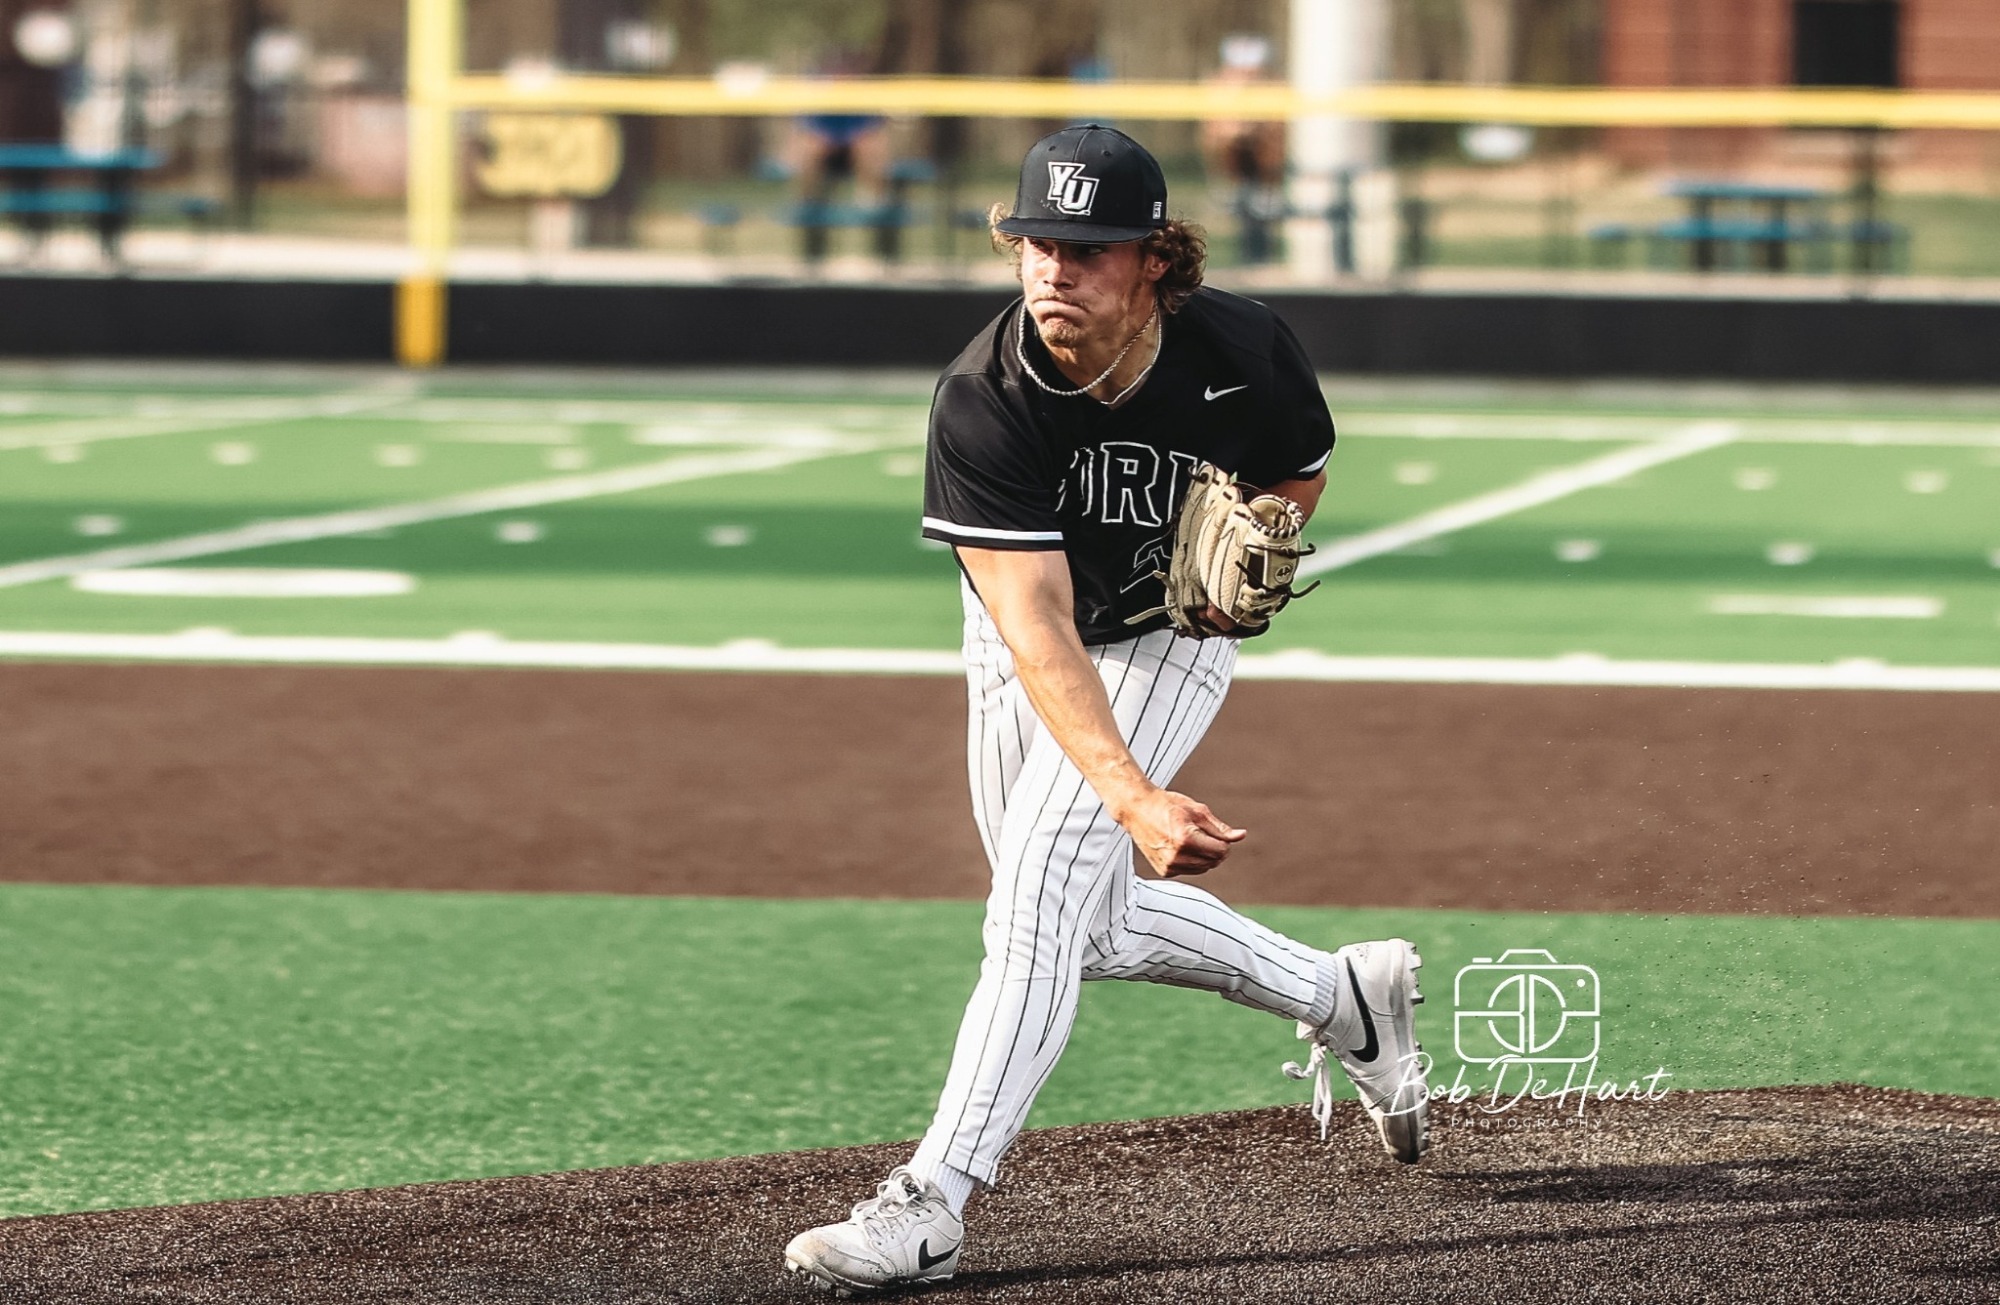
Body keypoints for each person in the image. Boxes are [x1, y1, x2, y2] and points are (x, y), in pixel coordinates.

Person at [782, 124, 1429, 1297]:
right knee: (1084, 925)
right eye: (1034, 240)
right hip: (1026, 638)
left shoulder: (1239, 344)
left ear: (1152, 260)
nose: (1051, 267)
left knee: (1034, 900)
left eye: (1084, 247)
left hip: (1170, 636)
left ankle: (930, 1205)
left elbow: (1300, 461)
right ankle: (1341, 996)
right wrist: (1130, 796)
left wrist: (1265, 534)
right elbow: (1034, 626)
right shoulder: (985, 395)